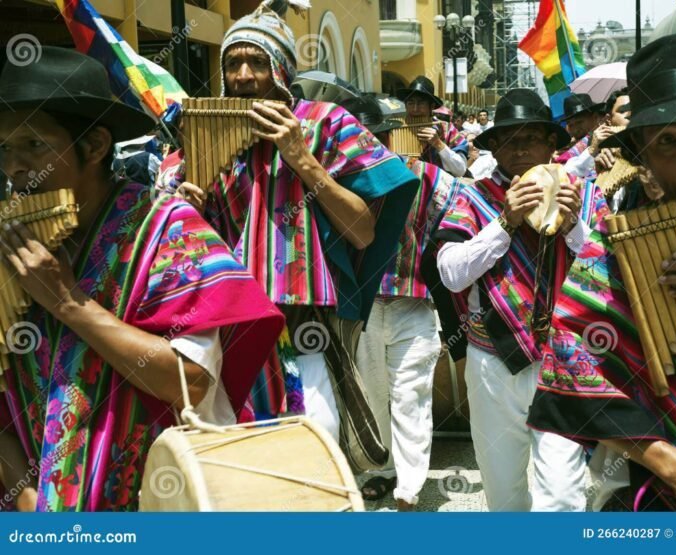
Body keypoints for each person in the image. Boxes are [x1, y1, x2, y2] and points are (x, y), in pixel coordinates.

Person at [0, 47, 285, 512]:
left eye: (34, 145)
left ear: (95, 147)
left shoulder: (170, 231)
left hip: (153, 503)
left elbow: (190, 382)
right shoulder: (12, 247)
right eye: (5, 148)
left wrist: (67, 301)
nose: (14, 166)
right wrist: (30, 504)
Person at [158, 0, 418, 445]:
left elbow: (363, 232)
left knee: (313, 446)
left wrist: (302, 159)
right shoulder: (203, 138)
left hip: (301, 330)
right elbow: (171, 243)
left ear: (281, 69)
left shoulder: (326, 123)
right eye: (233, 63)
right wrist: (184, 211)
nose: (243, 76)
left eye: (257, 62)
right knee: (231, 455)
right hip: (226, 330)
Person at [528, 32, 676, 512]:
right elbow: (570, 369)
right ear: (641, 150)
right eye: (668, 140)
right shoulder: (616, 245)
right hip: (657, 494)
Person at [433, 89, 590, 511]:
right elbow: (451, 275)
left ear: (551, 143)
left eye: (531, 138)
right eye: (509, 140)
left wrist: (573, 227)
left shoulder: (582, 193)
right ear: (496, 148)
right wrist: (505, 222)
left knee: (563, 494)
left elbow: (605, 269)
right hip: (492, 360)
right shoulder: (473, 197)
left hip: (563, 358)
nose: (520, 149)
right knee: (504, 494)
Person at [340, 95, 464, 511]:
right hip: (363, 303)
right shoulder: (335, 179)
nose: (367, 145)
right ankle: (382, 469)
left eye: (374, 136)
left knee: (411, 395)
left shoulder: (425, 175)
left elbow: (466, 203)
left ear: (388, 137)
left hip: (414, 300)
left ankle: (409, 485)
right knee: (371, 394)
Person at [396, 76, 469, 178]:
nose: (415, 109)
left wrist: (438, 144)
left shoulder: (448, 130)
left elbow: (461, 170)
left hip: (439, 186)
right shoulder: (394, 130)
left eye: (421, 103)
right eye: (411, 103)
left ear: (431, 106)